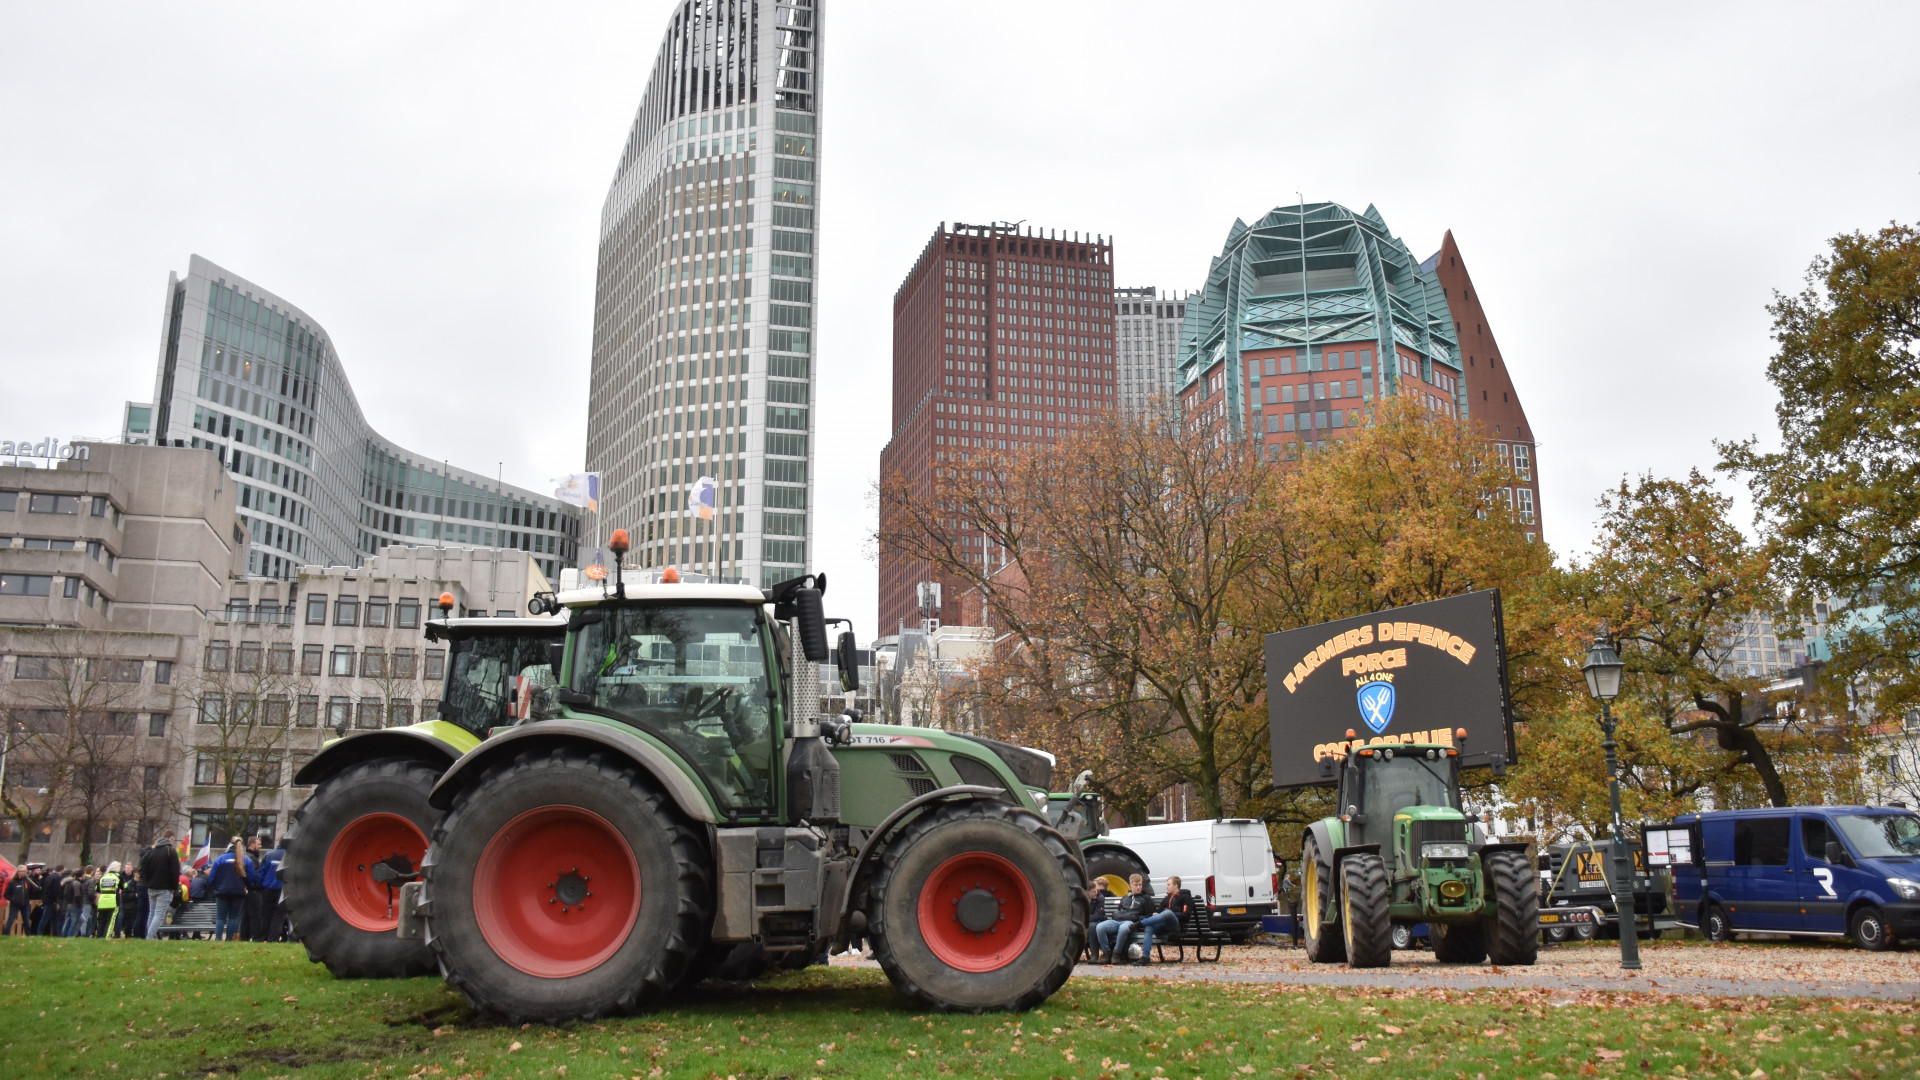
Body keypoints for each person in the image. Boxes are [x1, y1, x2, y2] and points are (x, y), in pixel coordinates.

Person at [1093, 874, 1155, 964]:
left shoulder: (1146, 898)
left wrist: (1138, 918)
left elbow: (1150, 915)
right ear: (1130, 885)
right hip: (1117, 921)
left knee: (1124, 928)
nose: (1138, 887)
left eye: (1140, 885)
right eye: (1136, 885)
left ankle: (1116, 954)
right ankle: (1106, 953)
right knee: (1100, 927)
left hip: (1131, 922)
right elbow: (1120, 911)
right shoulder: (1125, 897)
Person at [1135, 874, 1194, 960]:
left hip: (1176, 926)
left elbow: (1186, 915)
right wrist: (1157, 914)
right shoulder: (1167, 898)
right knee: (1149, 926)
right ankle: (1145, 957)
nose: (1166, 887)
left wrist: (1171, 914)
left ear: (1176, 886)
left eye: (1169, 885)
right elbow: (1159, 912)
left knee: (1168, 913)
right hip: (1163, 925)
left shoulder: (1185, 897)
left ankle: (1141, 923)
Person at [139, 834, 182, 939]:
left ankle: (150, 936)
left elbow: (144, 870)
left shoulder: (151, 853)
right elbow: (175, 871)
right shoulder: (170, 851)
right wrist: (174, 887)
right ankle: (150, 937)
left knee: (152, 913)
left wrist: (149, 882)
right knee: (159, 915)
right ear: (168, 841)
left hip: (151, 887)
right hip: (164, 888)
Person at [209, 838, 250, 941]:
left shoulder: (220, 859)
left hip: (222, 892)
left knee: (220, 917)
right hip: (238, 893)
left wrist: (216, 887)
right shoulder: (245, 860)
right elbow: (251, 877)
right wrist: (247, 886)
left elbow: (211, 878)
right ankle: (230, 938)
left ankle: (218, 938)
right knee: (234, 917)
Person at [95, 862, 121, 938]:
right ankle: (106, 937)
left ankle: (99, 936)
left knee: (100, 921)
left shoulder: (103, 877)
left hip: (102, 901)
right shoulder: (117, 877)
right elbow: (124, 886)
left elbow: (97, 889)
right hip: (113, 901)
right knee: (109, 921)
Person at [3, 867, 28, 935]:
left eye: (23, 871)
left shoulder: (27, 881)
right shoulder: (13, 882)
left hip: (25, 904)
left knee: (26, 921)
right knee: (10, 920)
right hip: (15, 905)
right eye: (20, 871)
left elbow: (32, 891)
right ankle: (5, 934)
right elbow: (6, 894)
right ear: (18, 872)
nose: (22, 873)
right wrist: (13, 899)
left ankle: (28, 935)